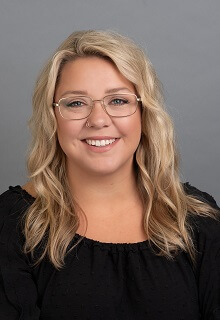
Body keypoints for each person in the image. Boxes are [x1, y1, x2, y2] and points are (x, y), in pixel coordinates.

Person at [0, 30, 219, 320]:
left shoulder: (197, 219)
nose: (99, 120)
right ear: (52, 117)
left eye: (118, 100)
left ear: (144, 112)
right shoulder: (13, 223)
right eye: (76, 103)